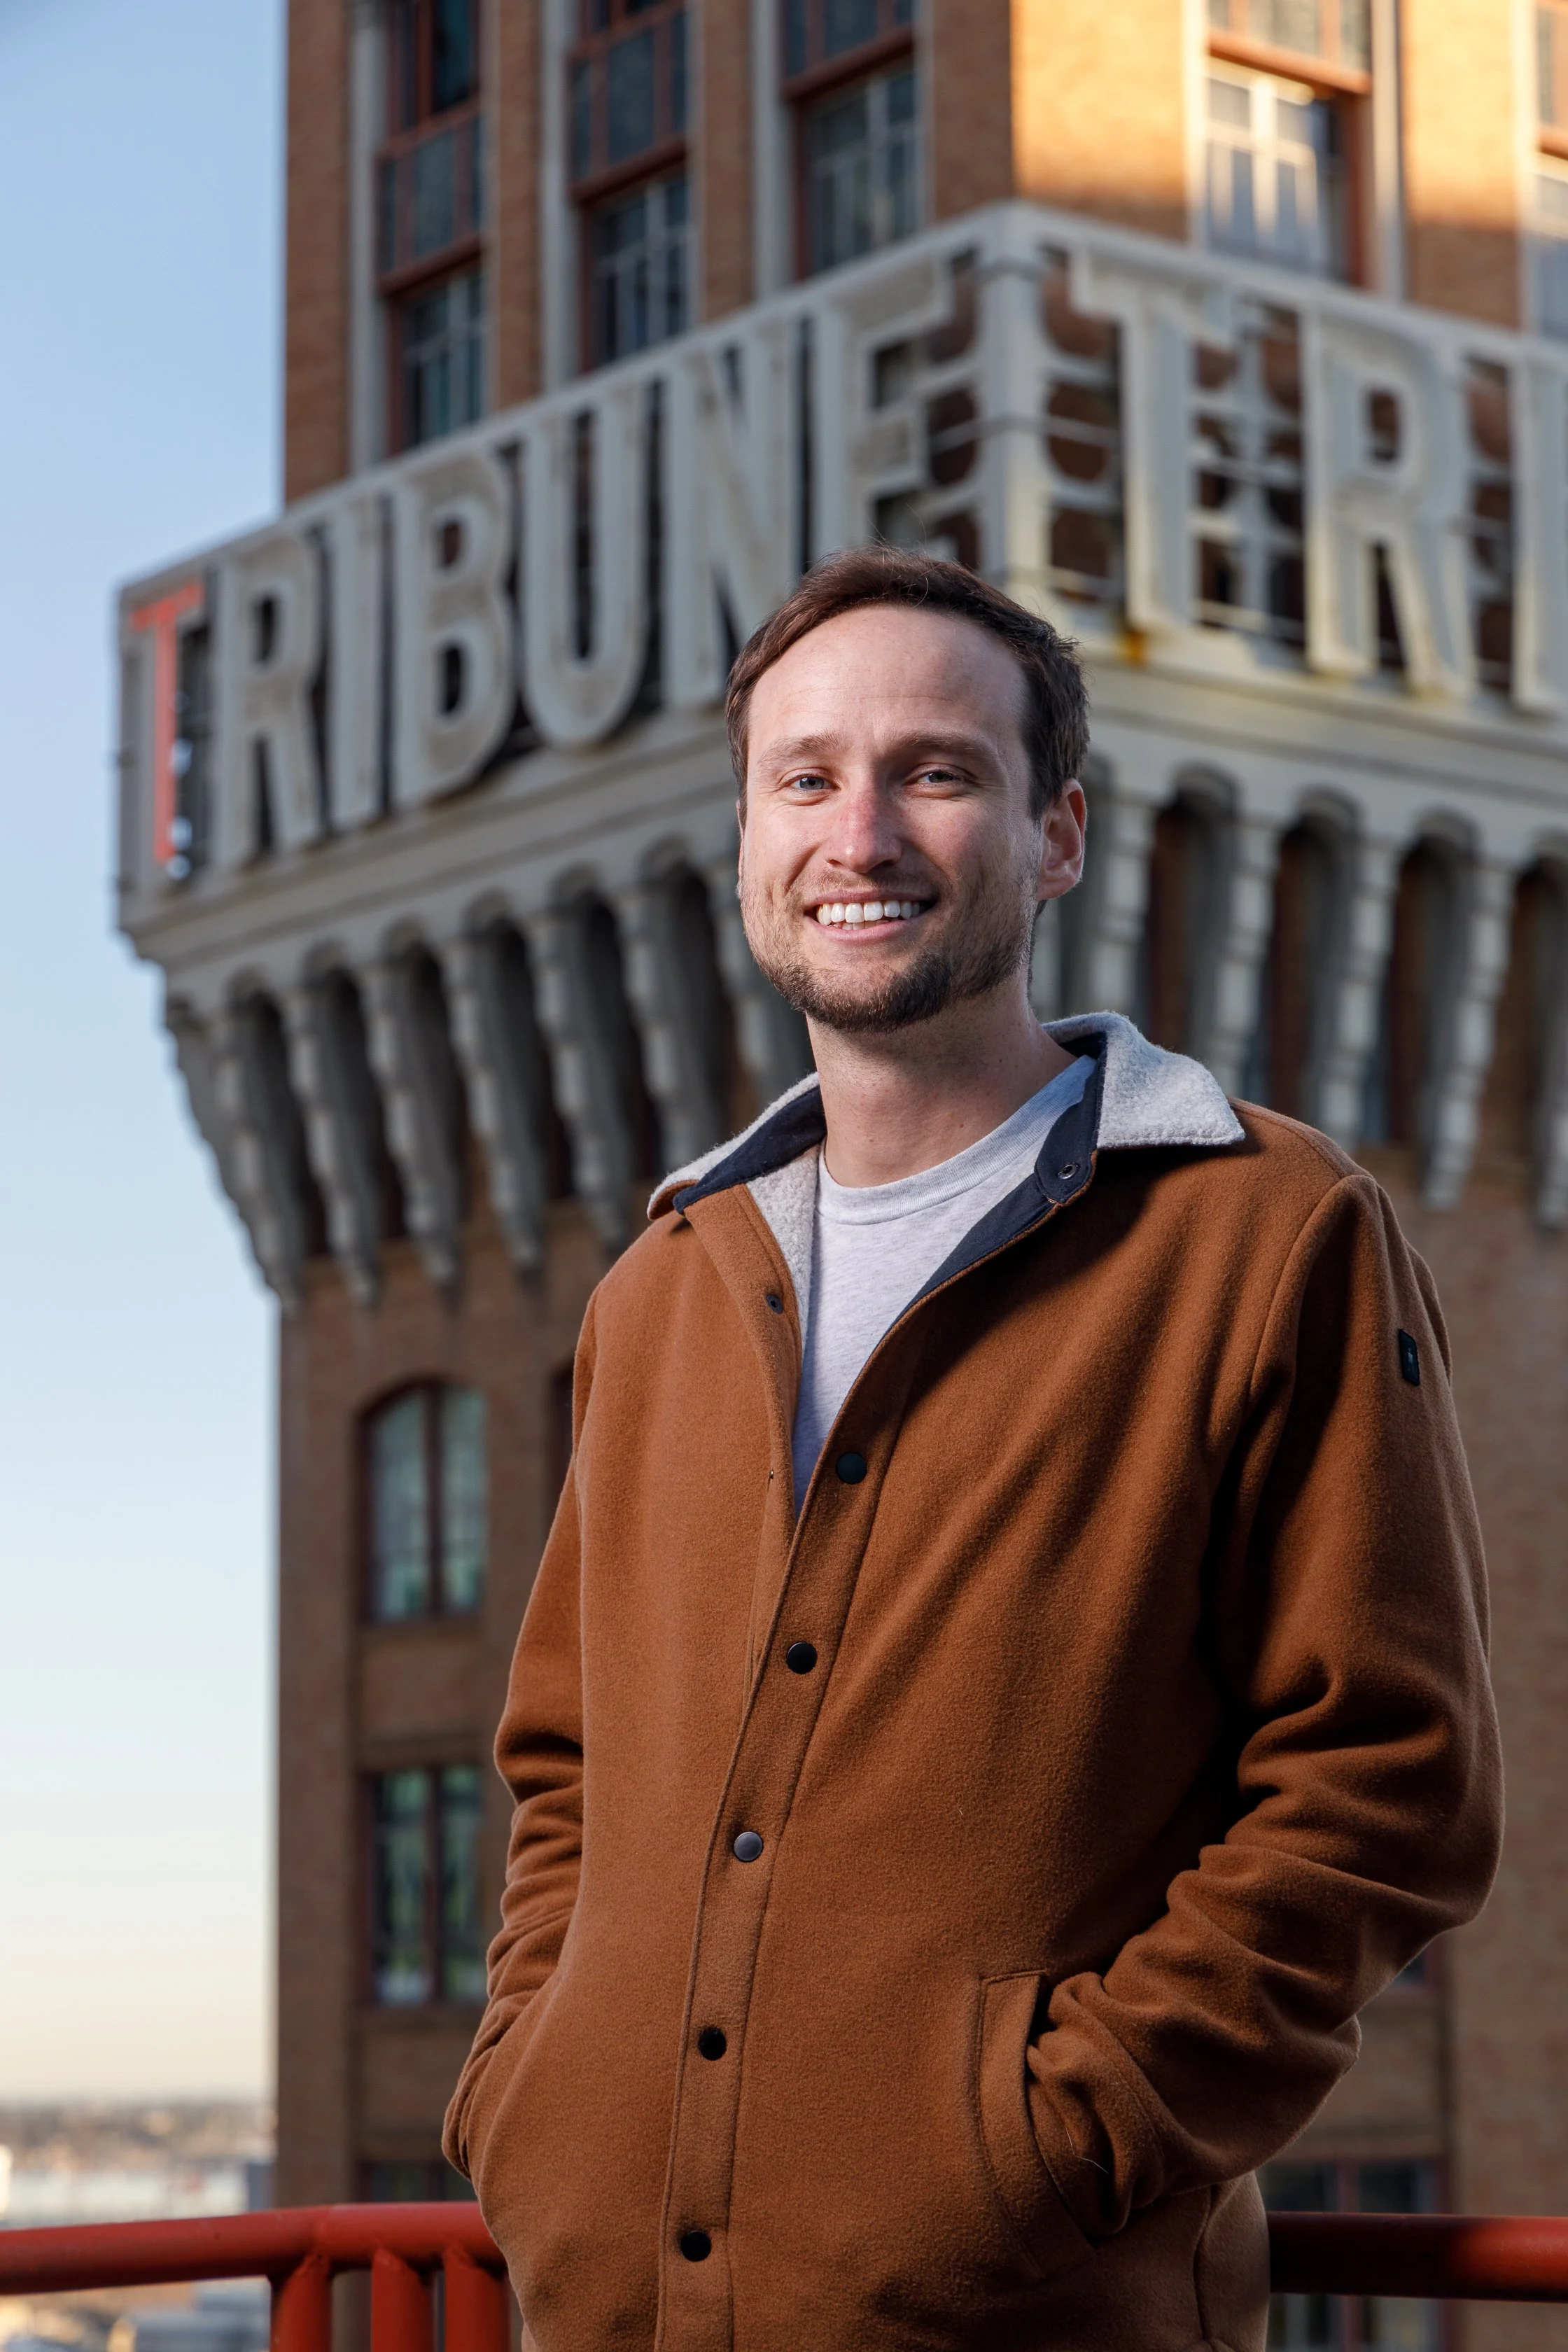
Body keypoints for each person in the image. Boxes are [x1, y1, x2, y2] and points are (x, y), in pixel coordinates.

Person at [444, 547, 1502, 2352]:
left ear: (1056, 833)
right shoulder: (661, 1293)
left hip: (1035, 2313)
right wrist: (527, 2108)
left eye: (935, 770)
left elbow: (1385, 1779)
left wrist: (1059, 2139)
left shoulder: (1266, 1234)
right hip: (606, 2315)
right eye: (807, 777)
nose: (859, 831)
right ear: (751, 840)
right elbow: (566, 1771)